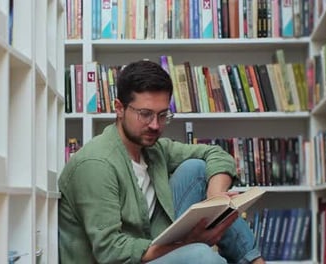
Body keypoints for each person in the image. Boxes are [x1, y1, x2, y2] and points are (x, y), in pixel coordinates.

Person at [58, 60, 265, 263]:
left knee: (198, 169)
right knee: (202, 256)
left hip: (150, 242)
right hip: (121, 259)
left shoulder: (153, 149)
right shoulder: (96, 164)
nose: (155, 125)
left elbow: (216, 155)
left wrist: (216, 198)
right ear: (119, 108)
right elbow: (111, 252)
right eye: (145, 114)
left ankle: (254, 261)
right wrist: (188, 243)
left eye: (163, 115)